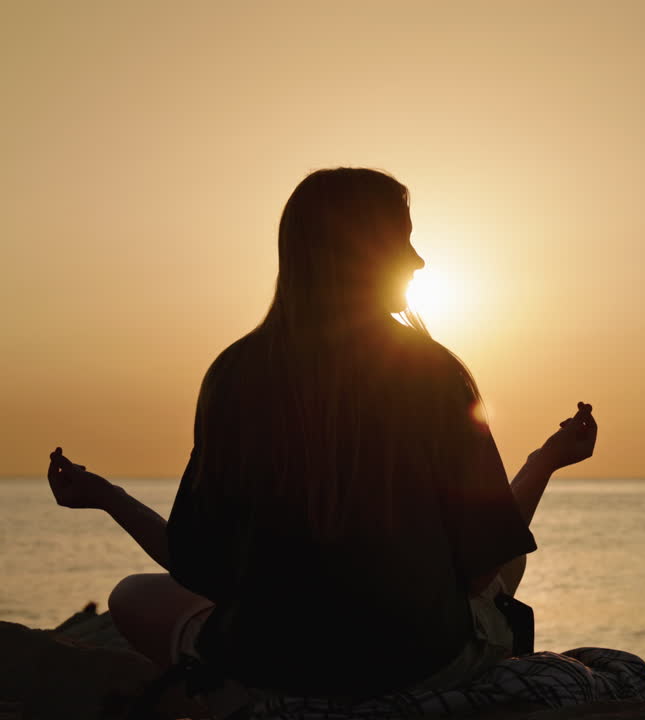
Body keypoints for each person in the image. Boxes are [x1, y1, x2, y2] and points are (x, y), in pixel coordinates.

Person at [45, 167, 597, 699]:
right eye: (402, 242)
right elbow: (482, 567)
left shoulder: (234, 375)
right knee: (510, 559)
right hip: (418, 665)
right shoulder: (432, 373)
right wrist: (543, 464)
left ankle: (227, 693)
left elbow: (202, 567)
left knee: (133, 595)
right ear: (361, 254)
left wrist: (107, 498)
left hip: (271, 668)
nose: (419, 260)